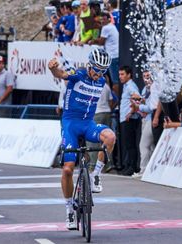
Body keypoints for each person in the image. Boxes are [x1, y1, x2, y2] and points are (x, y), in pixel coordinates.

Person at [48, 48, 116, 230]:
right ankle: (69, 208)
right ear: (89, 65)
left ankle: (95, 176)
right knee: (68, 170)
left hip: (88, 124)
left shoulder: (101, 81)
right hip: (70, 124)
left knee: (110, 137)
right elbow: (62, 73)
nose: (98, 74)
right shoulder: (78, 74)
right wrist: (53, 68)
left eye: (103, 70)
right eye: (96, 69)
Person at [90, 12, 120, 96]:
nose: (102, 21)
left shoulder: (106, 28)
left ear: (108, 19)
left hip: (112, 57)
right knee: (110, 78)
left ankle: (119, 102)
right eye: (101, 19)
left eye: (103, 19)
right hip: (115, 55)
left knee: (115, 82)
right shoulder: (111, 26)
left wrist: (93, 41)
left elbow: (101, 42)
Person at [119, 65, 141, 176]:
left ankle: (133, 167)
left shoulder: (131, 86)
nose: (120, 77)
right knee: (128, 144)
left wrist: (132, 112)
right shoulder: (126, 86)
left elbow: (137, 97)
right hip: (125, 118)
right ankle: (130, 166)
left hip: (129, 119)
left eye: (122, 74)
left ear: (129, 75)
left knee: (131, 144)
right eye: (119, 74)